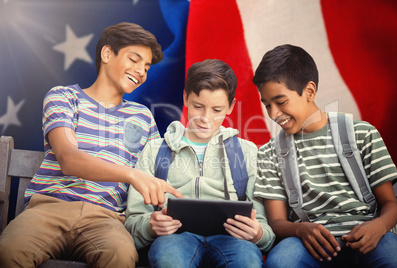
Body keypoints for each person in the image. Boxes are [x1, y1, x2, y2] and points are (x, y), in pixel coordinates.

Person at [0, 22, 183, 268]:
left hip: (107, 219)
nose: (141, 71)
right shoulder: (63, 97)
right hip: (49, 209)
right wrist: (132, 174)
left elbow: (154, 173)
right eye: (134, 59)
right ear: (107, 54)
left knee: (121, 256)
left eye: (146, 67)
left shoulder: (143, 117)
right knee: (9, 250)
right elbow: (69, 158)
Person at [252, 44, 397, 267]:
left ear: (310, 91)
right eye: (267, 105)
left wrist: (378, 227)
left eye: (281, 102)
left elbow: (390, 203)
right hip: (305, 243)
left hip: (368, 237)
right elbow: (277, 221)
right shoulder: (269, 152)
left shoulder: (362, 133)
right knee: (281, 262)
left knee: (394, 258)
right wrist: (300, 229)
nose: (273, 114)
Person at [124, 59, 275, 267]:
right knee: (169, 259)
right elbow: (133, 222)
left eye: (216, 110)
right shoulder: (155, 150)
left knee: (247, 262)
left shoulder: (247, 152)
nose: (205, 118)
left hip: (234, 242)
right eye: (198, 106)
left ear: (230, 107)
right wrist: (151, 227)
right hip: (174, 240)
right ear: (185, 98)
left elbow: (266, 231)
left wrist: (257, 234)